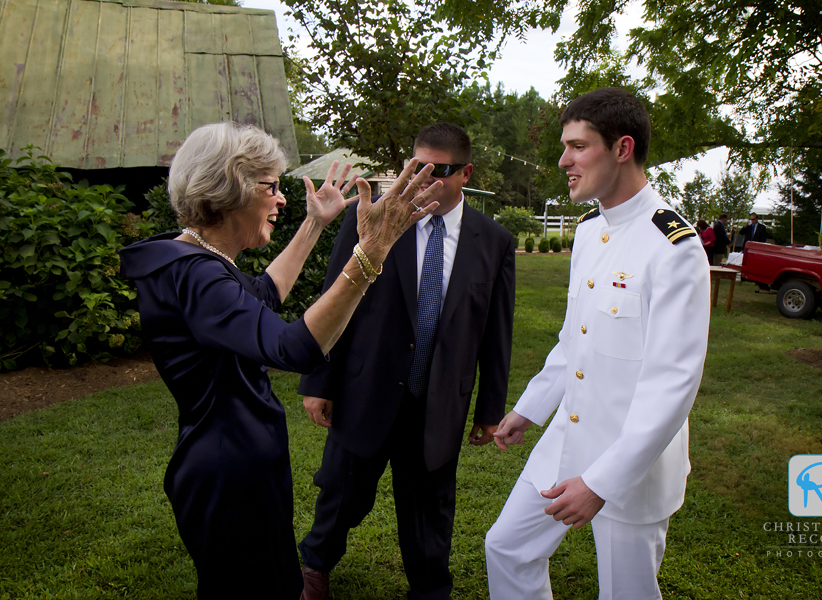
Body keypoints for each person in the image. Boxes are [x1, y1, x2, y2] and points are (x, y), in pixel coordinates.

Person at [119, 122, 443, 599]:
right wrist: (372, 252)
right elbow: (294, 348)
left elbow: (263, 295)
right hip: (229, 477)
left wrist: (315, 223)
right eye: (270, 186)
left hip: (234, 463)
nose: (281, 198)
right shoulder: (197, 275)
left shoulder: (195, 261)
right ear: (230, 187)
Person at [484, 88, 710, 600]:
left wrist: (602, 482)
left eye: (577, 146)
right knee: (507, 548)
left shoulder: (672, 247)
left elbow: (673, 384)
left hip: (633, 463)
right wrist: (529, 408)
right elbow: (574, 339)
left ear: (622, 148)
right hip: (568, 435)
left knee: (625, 593)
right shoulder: (589, 232)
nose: (563, 160)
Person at [297, 123, 516, 600]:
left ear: (466, 173)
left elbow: (497, 332)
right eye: (416, 169)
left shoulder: (494, 241)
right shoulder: (373, 216)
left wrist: (490, 410)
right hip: (366, 389)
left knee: (430, 509)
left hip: (437, 403)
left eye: (439, 172)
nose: (423, 181)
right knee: (341, 493)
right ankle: (314, 567)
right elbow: (333, 297)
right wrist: (320, 379)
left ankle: (431, 588)